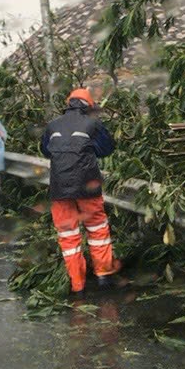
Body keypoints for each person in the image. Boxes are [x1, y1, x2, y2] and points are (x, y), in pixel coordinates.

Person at [40, 88, 119, 293]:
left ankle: (77, 285)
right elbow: (107, 148)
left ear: (68, 103)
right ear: (89, 106)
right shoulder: (93, 124)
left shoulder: (52, 125)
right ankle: (103, 277)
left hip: (59, 188)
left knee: (68, 236)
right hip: (87, 186)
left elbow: (46, 150)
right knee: (97, 230)